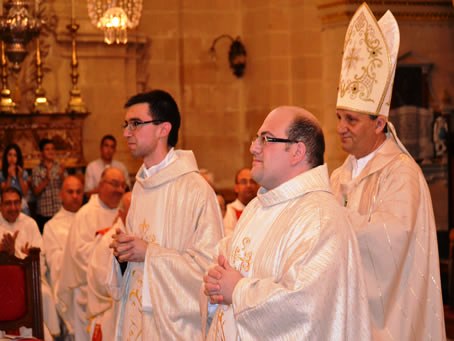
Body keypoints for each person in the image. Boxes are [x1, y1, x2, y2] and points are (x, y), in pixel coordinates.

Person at [203, 106, 371, 340]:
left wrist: (238, 291)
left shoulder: (321, 217)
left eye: (266, 139)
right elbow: (226, 266)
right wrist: (214, 281)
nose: (253, 147)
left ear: (297, 152)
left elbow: (304, 306)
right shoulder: (257, 207)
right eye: (256, 138)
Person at [330, 3, 445, 340]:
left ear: (379, 123)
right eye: (338, 117)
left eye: (351, 119)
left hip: (389, 322)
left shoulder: (401, 174)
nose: (341, 128)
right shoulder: (338, 176)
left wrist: (330, 222)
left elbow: (390, 245)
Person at [109, 89, 223, 340]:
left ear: (164, 129)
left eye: (136, 124)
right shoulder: (140, 186)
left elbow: (208, 269)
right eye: (126, 124)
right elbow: (136, 254)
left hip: (174, 329)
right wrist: (123, 256)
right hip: (136, 319)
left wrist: (148, 253)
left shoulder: (195, 190)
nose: (127, 132)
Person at [57, 167, 126, 341]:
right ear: (100, 185)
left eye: (123, 185)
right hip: (89, 291)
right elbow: (78, 254)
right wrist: (103, 240)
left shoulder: (125, 212)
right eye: (114, 184)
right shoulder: (85, 214)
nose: (119, 190)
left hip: (118, 288)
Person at [0, 187, 60, 340]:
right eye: (8, 203)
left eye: (16, 203)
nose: (13, 208)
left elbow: (40, 256)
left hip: (28, 279)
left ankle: (36, 335)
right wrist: (4, 253)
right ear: (0, 205)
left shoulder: (30, 223)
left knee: (44, 294)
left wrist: (29, 258)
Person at [86, 191, 132, 341]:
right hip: (110, 309)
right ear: (121, 213)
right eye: (132, 210)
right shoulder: (109, 240)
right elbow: (100, 281)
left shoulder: (139, 236)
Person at [42, 175, 84, 335]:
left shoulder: (89, 218)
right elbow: (55, 263)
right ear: (61, 194)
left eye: (78, 192)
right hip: (68, 282)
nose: (75, 196)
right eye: (70, 192)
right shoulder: (51, 226)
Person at [32, 138, 67, 233]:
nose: (51, 151)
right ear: (42, 153)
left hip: (58, 211)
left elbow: (66, 188)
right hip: (44, 213)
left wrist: (62, 175)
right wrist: (46, 180)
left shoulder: (60, 167)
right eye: (47, 149)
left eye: (52, 149)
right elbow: (35, 192)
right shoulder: (36, 170)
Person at [223, 167, 259, 236]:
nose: (249, 185)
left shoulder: (261, 209)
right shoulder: (230, 210)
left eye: (252, 181)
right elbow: (229, 238)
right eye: (244, 182)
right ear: (236, 188)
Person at [0, 143, 30, 215]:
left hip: (21, 205)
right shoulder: (1, 174)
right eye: (10, 155)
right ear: (6, 157)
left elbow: (25, 193)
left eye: (15, 155)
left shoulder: (24, 173)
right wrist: (9, 177)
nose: (12, 158)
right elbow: (4, 192)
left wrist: (20, 177)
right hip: (7, 204)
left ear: (18, 158)